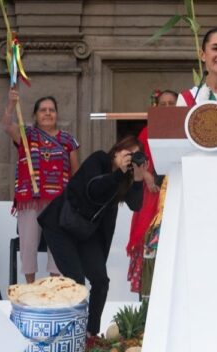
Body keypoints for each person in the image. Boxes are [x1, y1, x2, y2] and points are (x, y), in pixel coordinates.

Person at [38, 136, 144, 345]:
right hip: (61, 224)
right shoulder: (99, 160)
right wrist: (119, 174)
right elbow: (93, 190)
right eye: (127, 153)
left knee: (100, 280)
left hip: (86, 231)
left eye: (135, 155)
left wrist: (138, 179)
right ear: (116, 151)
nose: (129, 159)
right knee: (76, 279)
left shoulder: (125, 177)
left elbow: (136, 204)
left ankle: (90, 334)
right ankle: (72, 335)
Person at [2, 87, 80, 283]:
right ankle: (30, 285)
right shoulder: (27, 135)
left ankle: (54, 284)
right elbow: (6, 126)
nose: (47, 113)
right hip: (31, 199)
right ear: (35, 115)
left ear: (57, 114)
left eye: (51, 110)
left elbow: (76, 171)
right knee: (28, 242)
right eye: (43, 110)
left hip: (58, 202)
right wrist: (10, 106)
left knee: (58, 243)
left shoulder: (67, 140)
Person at [126, 89, 177, 297]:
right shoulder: (147, 132)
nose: (167, 108)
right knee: (148, 243)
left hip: (176, 194)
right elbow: (135, 159)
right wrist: (146, 175)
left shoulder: (187, 130)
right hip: (152, 196)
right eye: (162, 104)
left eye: (171, 104)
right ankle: (146, 301)